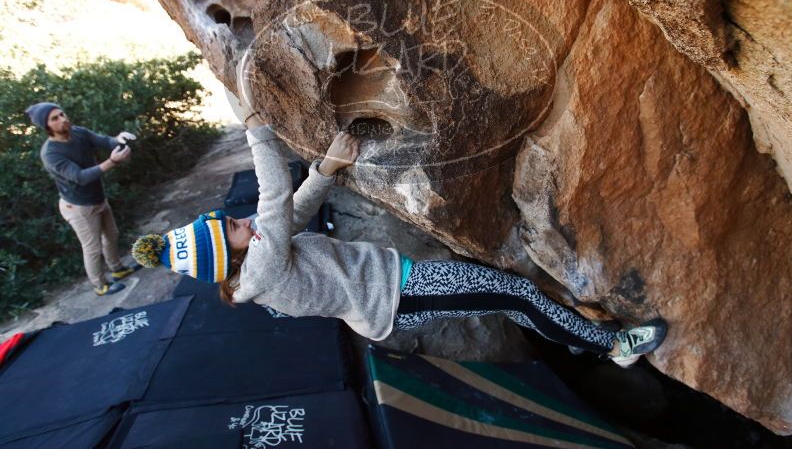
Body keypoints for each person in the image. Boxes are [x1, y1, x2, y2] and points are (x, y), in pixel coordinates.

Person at [131, 96, 667, 367]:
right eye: (234, 227)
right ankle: (609, 345)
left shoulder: (257, 261)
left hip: (397, 286)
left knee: (504, 292)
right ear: (226, 256)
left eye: (234, 219)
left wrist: (326, 170)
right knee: (515, 292)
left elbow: (289, 214)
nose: (242, 220)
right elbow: (274, 200)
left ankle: (566, 334)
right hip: (398, 297)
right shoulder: (262, 270)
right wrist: (255, 128)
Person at [26, 102, 139, 296]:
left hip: (98, 198)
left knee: (112, 235)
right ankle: (100, 285)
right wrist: (112, 162)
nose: (63, 119)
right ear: (47, 127)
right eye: (55, 118)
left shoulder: (78, 132)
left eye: (62, 114)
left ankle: (117, 269)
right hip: (78, 207)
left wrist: (118, 140)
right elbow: (80, 177)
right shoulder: (51, 154)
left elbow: (104, 141)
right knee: (92, 248)